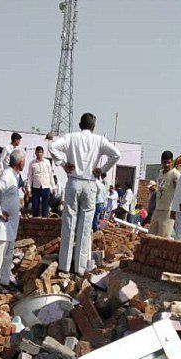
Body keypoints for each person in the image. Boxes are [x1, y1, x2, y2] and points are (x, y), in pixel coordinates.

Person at [48, 112, 121, 275]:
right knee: (85, 227)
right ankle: (80, 267)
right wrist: (102, 170)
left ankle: (64, 266)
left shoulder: (71, 137)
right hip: (90, 183)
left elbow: (52, 147)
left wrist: (63, 163)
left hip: (74, 182)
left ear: (80, 125)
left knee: (69, 224)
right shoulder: (99, 140)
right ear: (93, 127)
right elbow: (117, 154)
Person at [0, 148, 26, 291]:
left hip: (9, 225)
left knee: (8, 256)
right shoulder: (8, 175)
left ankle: (4, 281)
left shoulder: (14, 175)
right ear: (20, 162)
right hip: (1, 225)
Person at [148, 150, 180, 237]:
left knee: (163, 238)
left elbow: (179, 191)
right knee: (151, 235)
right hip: (158, 208)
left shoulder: (175, 174)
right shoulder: (160, 173)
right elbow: (161, 186)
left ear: (172, 162)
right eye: (164, 162)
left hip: (168, 211)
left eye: (168, 162)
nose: (166, 165)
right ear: (161, 161)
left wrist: (176, 209)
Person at [27, 145, 53, 217]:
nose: (39, 154)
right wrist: (28, 189)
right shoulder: (32, 163)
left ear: (43, 153)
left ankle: (44, 224)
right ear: (35, 153)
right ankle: (35, 223)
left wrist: (53, 187)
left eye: (40, 152)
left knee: (45, 207)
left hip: (46, 186)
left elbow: (50, 174)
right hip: (36, 187)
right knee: (35, 206)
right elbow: (29, 176)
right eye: (37, 152)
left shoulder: (47, 162)